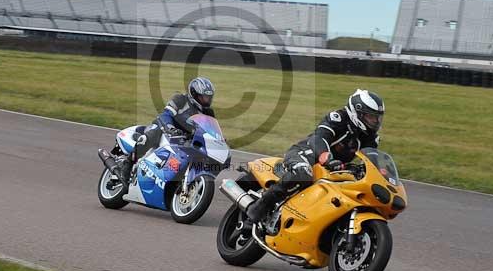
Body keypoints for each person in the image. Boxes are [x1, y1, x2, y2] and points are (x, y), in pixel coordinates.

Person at [246, 89, 384, 224]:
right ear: (357, 113)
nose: (375, 121)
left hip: (332, 170)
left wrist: (380, 172)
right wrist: (325, 156)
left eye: (377, 117)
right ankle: (259, 209)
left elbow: (371, 160)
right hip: (306, 153)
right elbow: (319, 137)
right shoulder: (338, 118)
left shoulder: (371, 138)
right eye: (371, 117)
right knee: (303, 173)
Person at [116, 77, 216, 182]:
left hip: (185, 139)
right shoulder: (180, 99)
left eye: (209, 98)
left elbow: (210, 130)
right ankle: (128, 164)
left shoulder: (208, 113)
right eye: (203, 97)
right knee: (151, 136)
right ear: (194, 94)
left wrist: (217, 139)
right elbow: (166, 114)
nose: (207, 100)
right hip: (165, 129)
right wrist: (170, 127)